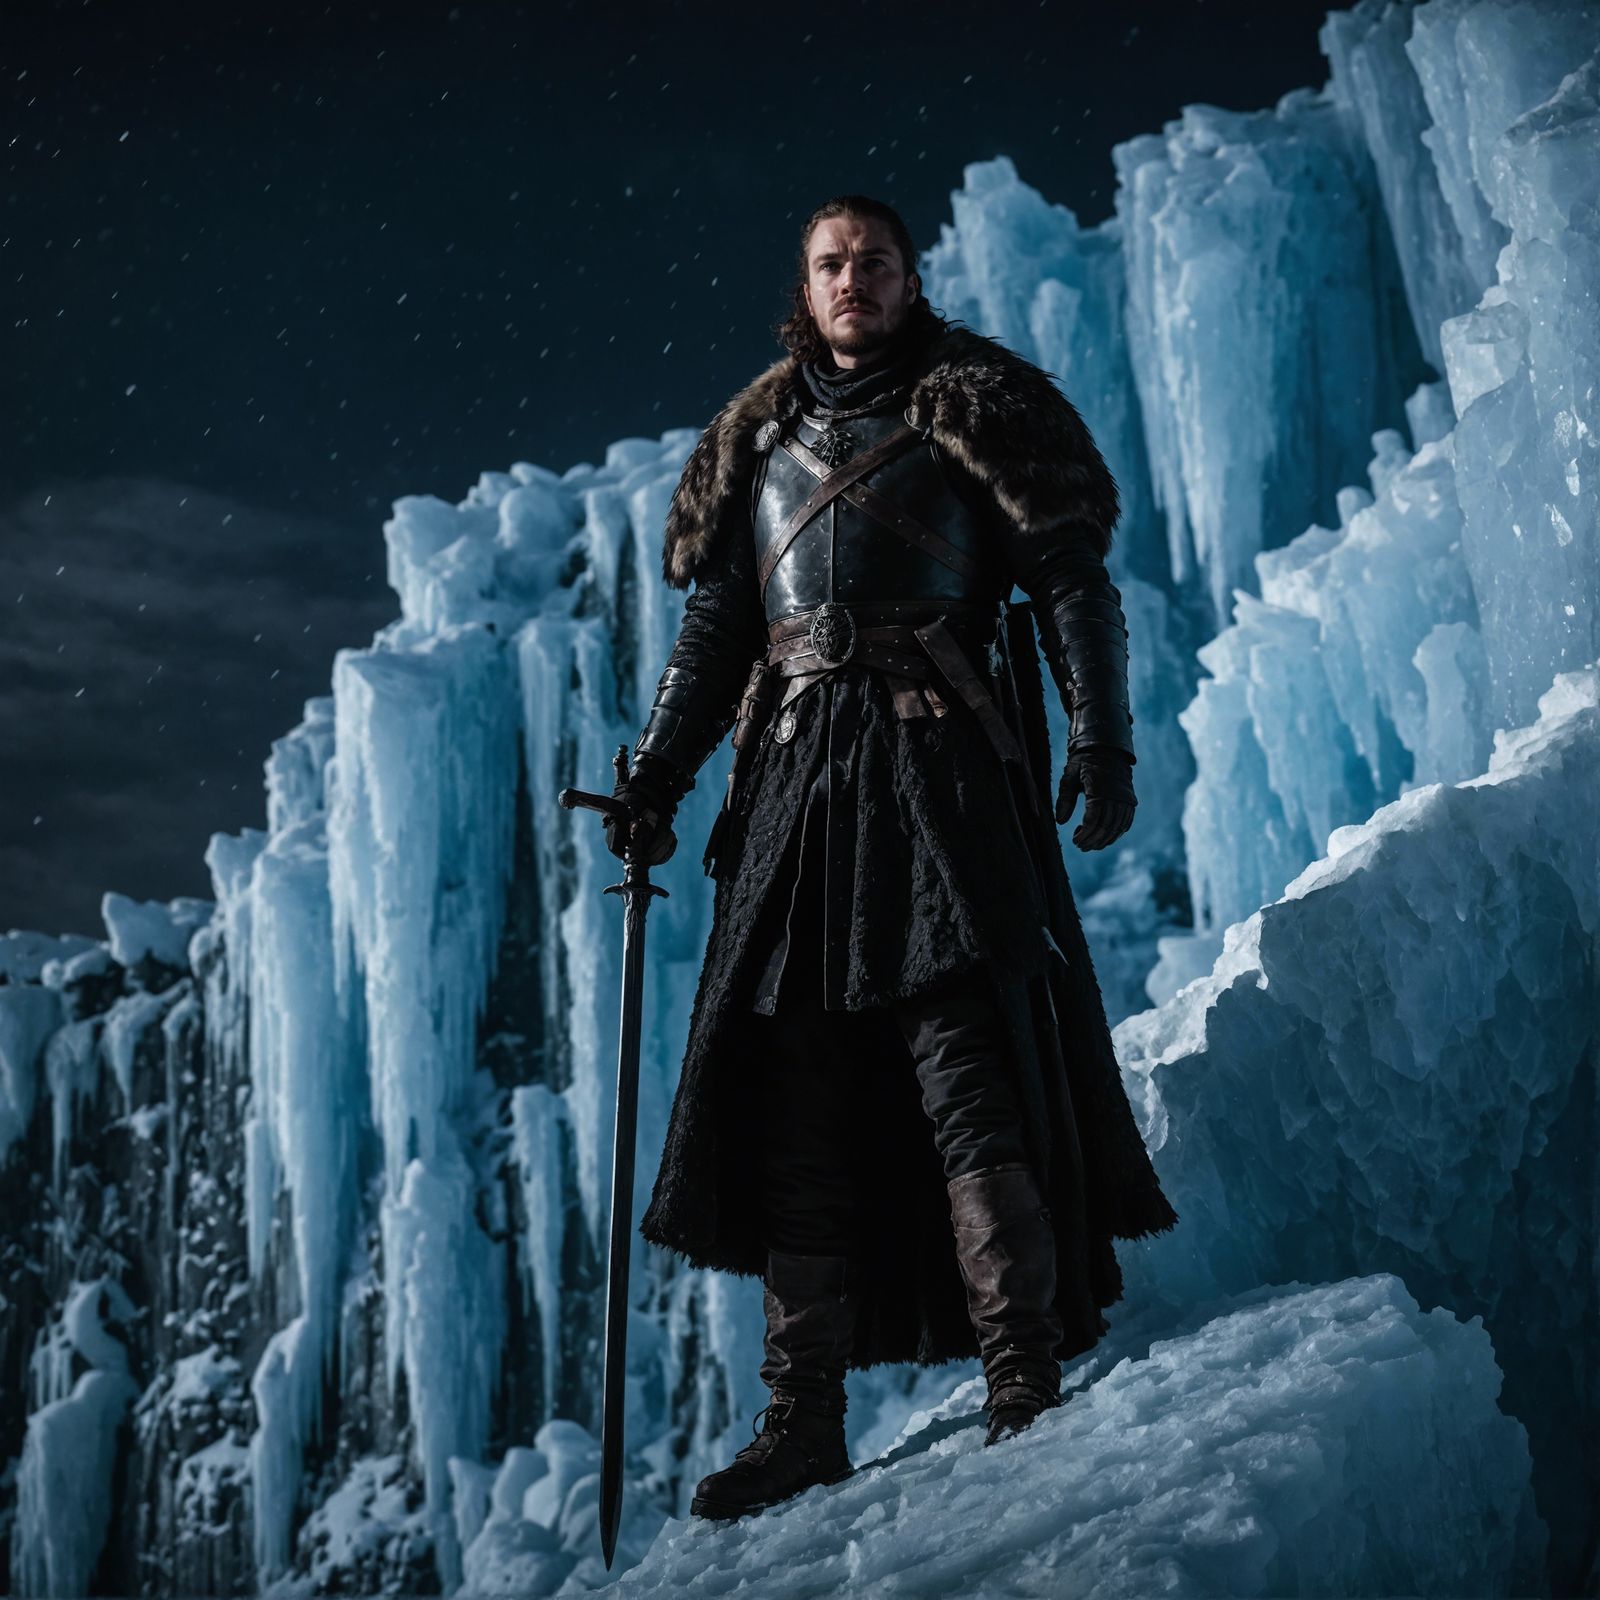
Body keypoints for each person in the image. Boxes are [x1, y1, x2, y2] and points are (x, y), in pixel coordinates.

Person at [604, 194, 1177, 1521]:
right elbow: (716, 640)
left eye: (872, 260)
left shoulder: (983, 406)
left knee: (962, 1060)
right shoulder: (756, 447)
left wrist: (1104, 737)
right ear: (801, 289)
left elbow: (1070, 579)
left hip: (939, 767)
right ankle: (802, 1422)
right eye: (827, 263)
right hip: (799, 780)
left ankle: (1019, 1375)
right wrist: (653, 779)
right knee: (801, 1088)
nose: (850, 279)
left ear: (912, 277)